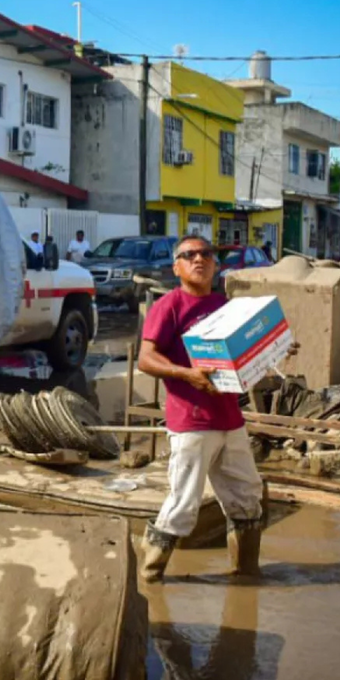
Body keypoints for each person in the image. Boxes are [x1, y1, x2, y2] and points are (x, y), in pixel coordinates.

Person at [136, 235, 271, 583]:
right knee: (183, 505)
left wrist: (273, 348)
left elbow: (240, 356)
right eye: (189, 255)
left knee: (247, 498)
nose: (199, 259)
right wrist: (186, 374)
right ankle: (148, 578)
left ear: (216, 263)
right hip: (191, 422)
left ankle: (246, 574)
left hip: (230, 419)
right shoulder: (169, 306)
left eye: (206, 254)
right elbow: (146, 359)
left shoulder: (225, 305)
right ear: (176, 266)